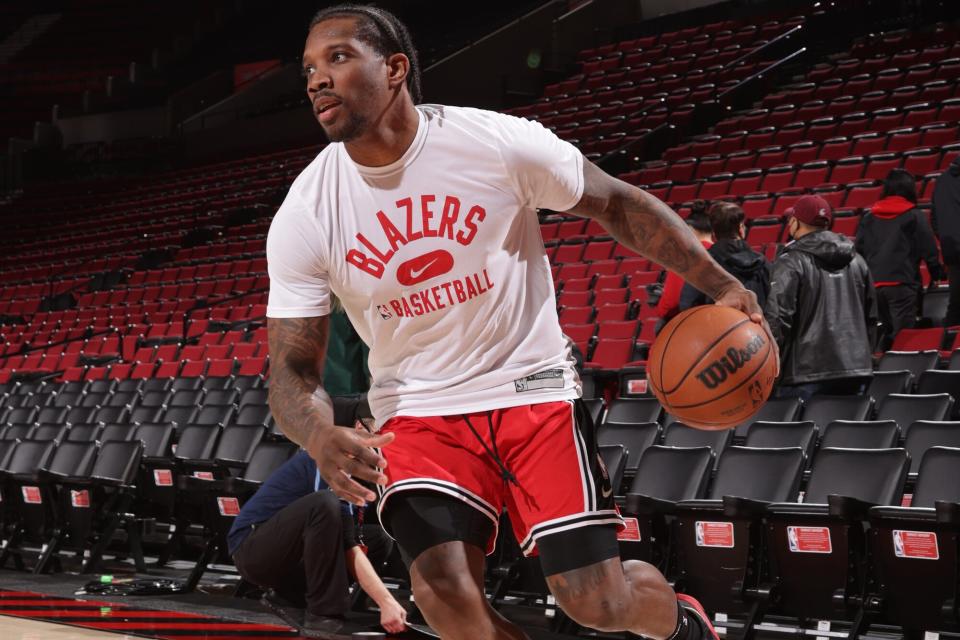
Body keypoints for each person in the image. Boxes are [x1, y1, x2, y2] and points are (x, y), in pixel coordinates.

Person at [265, 5, 772, 640]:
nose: (316, 79)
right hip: (417, 409)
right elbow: (288, 367)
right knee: (443, 595)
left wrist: (722, 283)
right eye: (308, 68)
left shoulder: (493, 143)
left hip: (531, 388)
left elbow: (616, 202)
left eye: (337, 58)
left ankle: (684, 624)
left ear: (395, 69)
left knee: (596, 602)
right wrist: (317, 434)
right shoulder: (307, 210)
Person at [229, 435, 407, 637]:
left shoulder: (358, 475)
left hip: (289, 554)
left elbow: (348, 538)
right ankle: (324, 615)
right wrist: (386, 600)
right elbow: (347, 544)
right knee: (324, 503)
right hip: (253, 552)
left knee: (377, 539)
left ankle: (291, 597)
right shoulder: (326, 461)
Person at [765, 195, 876, 401]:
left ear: (795, 222)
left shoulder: (790, 261)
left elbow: (778, 319)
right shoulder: (857, 261)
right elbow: (871, 317)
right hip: (856, 368)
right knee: (843, 432)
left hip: (805, 372)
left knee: (799, 433)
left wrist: (769, 368)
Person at [856, 168, 943, 349]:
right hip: (902, 284)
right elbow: (929, 248)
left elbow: (858, 251)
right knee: (904, 338)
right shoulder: (913, 215)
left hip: (875, 286)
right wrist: (937, 274)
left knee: (886, 332)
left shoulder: (869, 217)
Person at [679, 202, 769, 311]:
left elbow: (687, 305)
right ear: (741, 229)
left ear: (713, 233)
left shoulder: (703, 264)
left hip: (717, 326)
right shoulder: (763, 263)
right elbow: (773, 306)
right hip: (755, 325)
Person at [654, 200, 714, 324]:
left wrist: (661, 310)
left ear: (690, 230)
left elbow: (671, 302)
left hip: (690, 324)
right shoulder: (721, 252)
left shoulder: (684, 256)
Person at [932, 155, 960, 326]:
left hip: (952, 251)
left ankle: (947, 348)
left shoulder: (941, 181)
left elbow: (934, 219)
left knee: (956, 305)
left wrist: (945, 238)